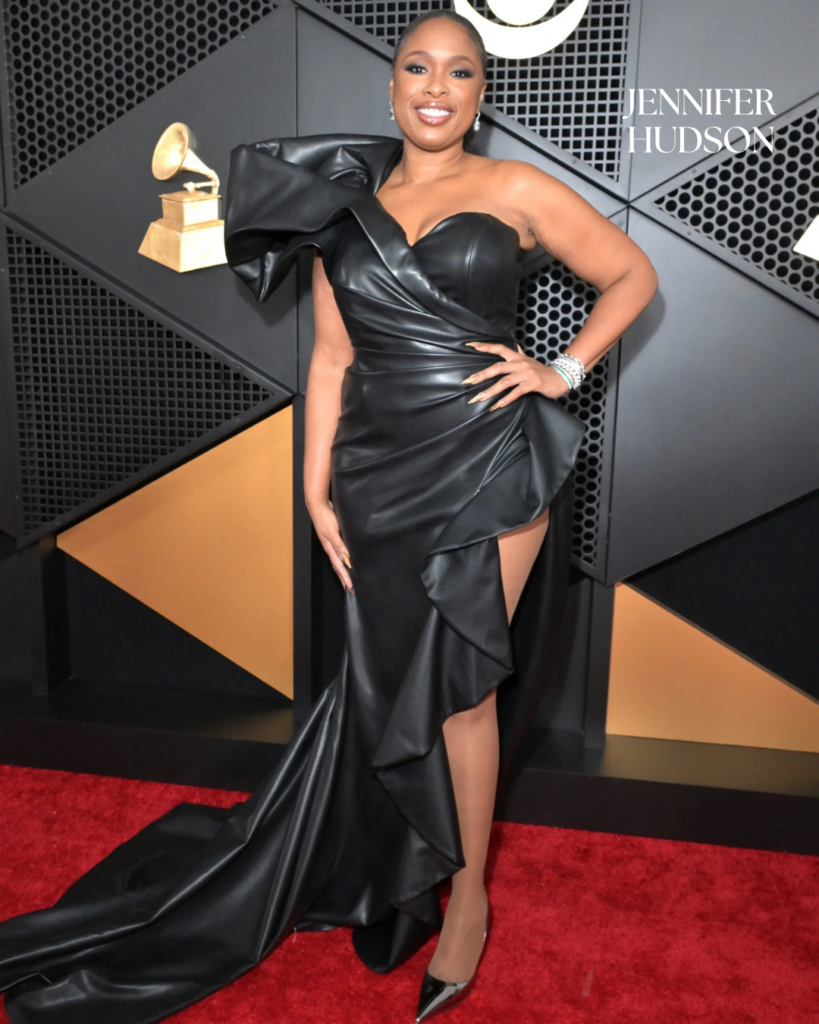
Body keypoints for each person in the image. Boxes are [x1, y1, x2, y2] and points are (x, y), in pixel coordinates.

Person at [0, 11, 657, 1024]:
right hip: (376, 470)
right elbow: (332, 360)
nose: (436, 86)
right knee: (394, 684)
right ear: (392, 85)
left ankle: (470, 895)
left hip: (492, 462)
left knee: (462, 692)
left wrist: (560, 369)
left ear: (483, 94)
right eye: (417, 67)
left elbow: (633, 276)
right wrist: (314, 488)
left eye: (461, 71)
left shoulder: (516, 191)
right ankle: (395, 860)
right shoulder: (345, 213)